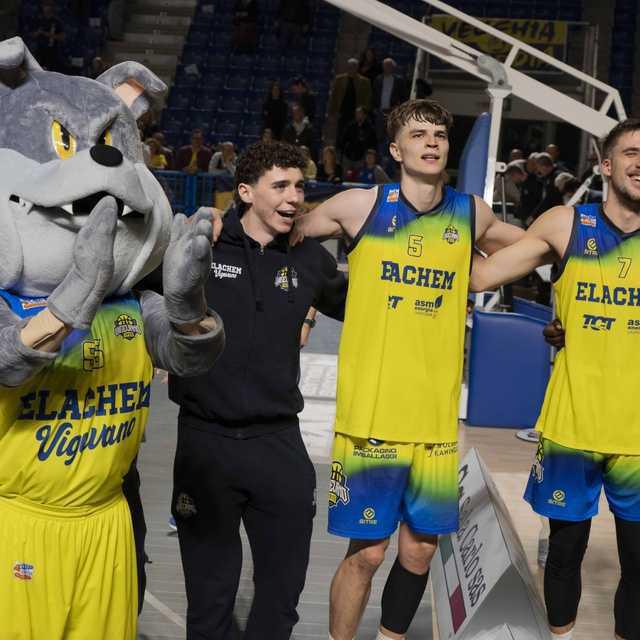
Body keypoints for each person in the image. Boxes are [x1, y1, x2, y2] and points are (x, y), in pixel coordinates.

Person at [290, 99, 524, 640]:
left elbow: (541, 247)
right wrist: (305, 305)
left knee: (419, 552)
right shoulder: (361, 206)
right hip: (371, 417)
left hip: (435, 423)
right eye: (418, 134)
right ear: (396, 150)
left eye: (439, 133)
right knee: (367, 554)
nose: (432, 141)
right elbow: (287, 234)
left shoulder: (470, 214)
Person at [168, 142, 348, 639]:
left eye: (300, 186)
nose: (294, 197)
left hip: (277, 443)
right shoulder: (203, 248)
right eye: (281, 186)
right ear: (245, 192)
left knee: (281, 597)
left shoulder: (309, 259)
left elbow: (368, 308)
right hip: (205, 442)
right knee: (209, 599)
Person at [469, 118, 640, 640]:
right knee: (564, 554)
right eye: (631, 152)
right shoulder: (566, 225)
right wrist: (449, 219)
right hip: (572, 426)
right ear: (606, 165)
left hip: (637, 436)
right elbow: (481, 275)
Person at [328, 58, 372, 145]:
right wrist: (332, 112)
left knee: (355, 134)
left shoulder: (365, 82)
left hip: (357, 113)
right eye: (350, 66)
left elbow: (368, 98)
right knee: (340, 134)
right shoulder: (339, 80)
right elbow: (334, 97)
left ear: (357, 68)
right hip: (342, 112)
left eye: (354, 66)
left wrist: (364, 112)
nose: (352, 68)